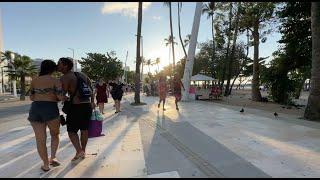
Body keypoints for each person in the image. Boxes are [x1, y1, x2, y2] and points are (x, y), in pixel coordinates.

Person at [28, 60, 65, 171]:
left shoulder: (34, 80)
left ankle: (45, 164)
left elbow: (31, 97)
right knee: (55, 135)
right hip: (50, 109)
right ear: (53, 69)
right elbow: (60, 97)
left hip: (35, 108)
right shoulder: (55, 80)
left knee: (40, 140)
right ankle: (53, 158)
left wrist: (41, 96)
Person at [57, 57, 95, 162]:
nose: (57, 65)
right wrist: (92, 101)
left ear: (65, 65)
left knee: (71, 131)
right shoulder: (82, 75)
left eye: (59, 64)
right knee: (84, 130)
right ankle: (83, 151)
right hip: (87, 106)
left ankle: (79, 151)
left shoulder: (65, 77)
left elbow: (61, 95)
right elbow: (92, 89)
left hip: (76, 107)